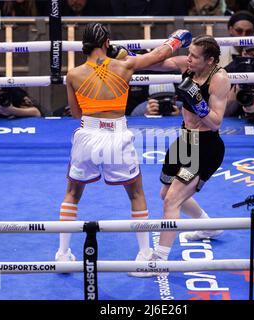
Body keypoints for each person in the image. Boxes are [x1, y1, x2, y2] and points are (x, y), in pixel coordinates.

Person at [56, 23, 192, 276]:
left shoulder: (73, 75)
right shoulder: (125, 65)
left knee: (73, 192)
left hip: (88, 133)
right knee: (136, 193)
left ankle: (62, 254)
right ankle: (143, 253)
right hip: (117, 134)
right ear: (107, 42)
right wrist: (176, 39)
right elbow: (159, 55)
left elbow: (76, 114)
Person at [141, 35, 230, 267]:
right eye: (188, 53)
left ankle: (158, 261)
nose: (188, 59)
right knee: (166, 193)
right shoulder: (187, 66)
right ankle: (209, 227)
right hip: (185, 139)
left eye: (194, 56)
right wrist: (125, 58)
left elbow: (216, 122)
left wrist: (197, 102)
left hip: (207, 145)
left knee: (172, 200)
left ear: (209, 60)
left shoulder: (219, 79)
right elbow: (156, 63)